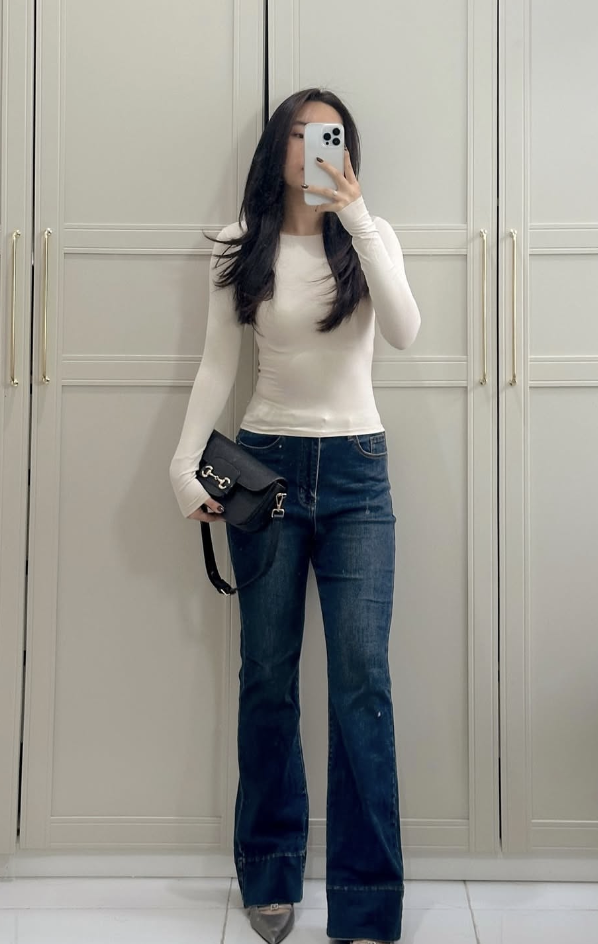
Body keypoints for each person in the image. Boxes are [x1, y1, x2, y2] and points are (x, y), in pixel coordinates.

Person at [169, 88, 421, 944]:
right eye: (304, 135)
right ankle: (270, 871)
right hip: (267, 469)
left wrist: (358, 216)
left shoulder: (370, 237)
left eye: (332, 136)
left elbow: (406, 331)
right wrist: (181, 466)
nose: (317, 148)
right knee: (267, 677)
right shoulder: (241, 244)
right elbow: (216, 367)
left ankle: (367, 900)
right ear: (279, 147)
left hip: (358, 476)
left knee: (362, 685)